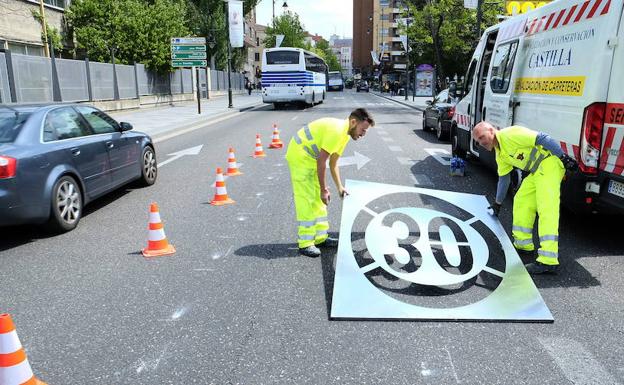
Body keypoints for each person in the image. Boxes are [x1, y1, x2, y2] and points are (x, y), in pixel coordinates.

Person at [472, 122, 578, 274]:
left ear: (491, 130)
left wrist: (563, 158)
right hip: (536, 170)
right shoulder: (500, 153)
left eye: (482, 137)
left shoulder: (510, 134)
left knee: (547, 208)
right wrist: (497, 203)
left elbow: (543, 138)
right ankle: (523, 244)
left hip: (549, 164)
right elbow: (504, 179)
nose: (481, 142)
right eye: (477, 141)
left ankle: (548, 261)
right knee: (522, 200)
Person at [286, 108, 375, 257]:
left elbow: (333, 163)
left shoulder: (345, 135)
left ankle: (321, 238)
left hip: (311, 158)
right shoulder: (337, 131)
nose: (363, 134)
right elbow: (322, 161)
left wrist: (339, 187)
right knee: (307, 199)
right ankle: (305, 243)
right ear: (353, 122)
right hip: (301, 156)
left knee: (320, 200)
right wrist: (323, 189)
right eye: (363, 129)